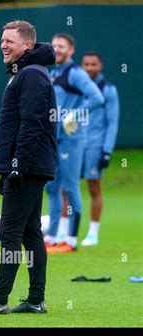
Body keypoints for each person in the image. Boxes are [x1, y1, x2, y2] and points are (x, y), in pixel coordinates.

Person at [0, 20, 57, 315]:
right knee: (30, 233)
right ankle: (35, 300)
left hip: (27, 166)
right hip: (30, 165)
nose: (3, 45)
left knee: (10, 232)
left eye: (9, 41)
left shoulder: (30, 75)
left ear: (27, 45)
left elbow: (31, 124)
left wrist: (17, 167)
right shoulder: (28, 72)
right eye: (2, 40)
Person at [45, 34, 104, 254]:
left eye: (61, 46)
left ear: (71, 51)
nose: (57, 49)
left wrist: (74, 115)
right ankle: (52, 236)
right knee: (51, 186)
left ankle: (70, 240)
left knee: (70, 187)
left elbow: (97, 98)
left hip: (72, 139)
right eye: (54, 45)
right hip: (54, 139)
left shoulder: (76, 74)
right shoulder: (52, 73)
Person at [79, 52, 119, 246]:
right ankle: (63, 231)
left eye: (93, 64)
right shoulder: (77, 88)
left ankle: (93, 233)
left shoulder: (108, 89)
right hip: (75, 143)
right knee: (64, 187)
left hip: (95, 145)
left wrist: (107, 151)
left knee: (94, 188)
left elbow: (112, 123)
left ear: (100, 66)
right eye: (86, 64)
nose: (89, 68)